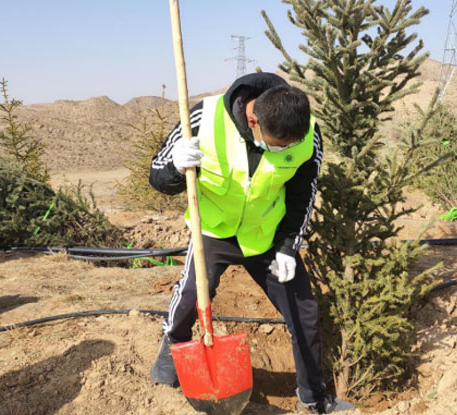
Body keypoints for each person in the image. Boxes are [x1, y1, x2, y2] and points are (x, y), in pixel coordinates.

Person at [148, 72, 355, 414]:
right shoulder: (204, 118)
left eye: (289, 145)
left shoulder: (307, 135)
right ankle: (173, 344)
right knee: (190, 296)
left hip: (267, 235)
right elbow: (157, 176)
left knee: (304, 312)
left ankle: (313, 397)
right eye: (277, 143)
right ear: (253, 119)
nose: (284, 150)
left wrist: (289, 246)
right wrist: (174, 166)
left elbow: (304, 194)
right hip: (214, 231)